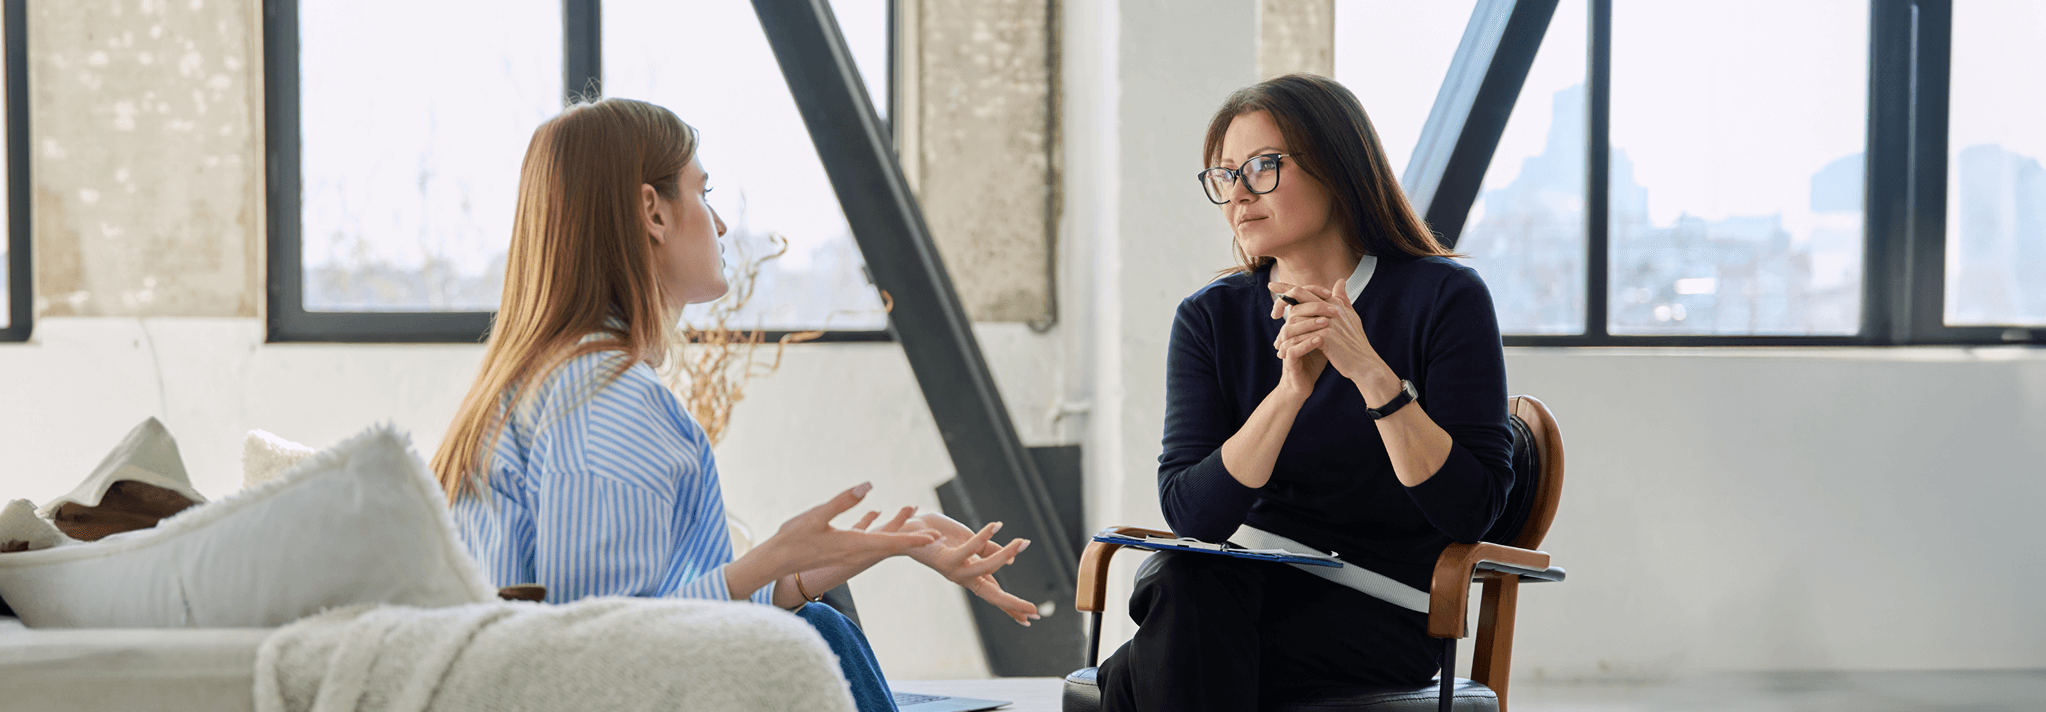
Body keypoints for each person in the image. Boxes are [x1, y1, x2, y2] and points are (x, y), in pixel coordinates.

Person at [428, 97, 1043, 712]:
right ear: (653, 212)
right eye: (703, 192)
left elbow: (652, 618)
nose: (720, 224)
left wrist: (851, 555)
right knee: (821, 637)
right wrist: (769, 560)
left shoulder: (555, 383)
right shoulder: (604, 400)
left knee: (819, 621)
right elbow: (602, 654)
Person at [1092, 74, 1515, 711]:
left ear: (1338, 167)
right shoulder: (1210, 317)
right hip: (1238, 589)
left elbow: (1469, 510)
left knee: (1137, 670)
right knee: (1187, 585)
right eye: (1224, 174)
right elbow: (1194, 514)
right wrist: (1290, 392)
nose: (1238, 194)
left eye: (1263, 167)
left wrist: (1371, 374)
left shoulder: (1443, 298)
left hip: (1384, 611)